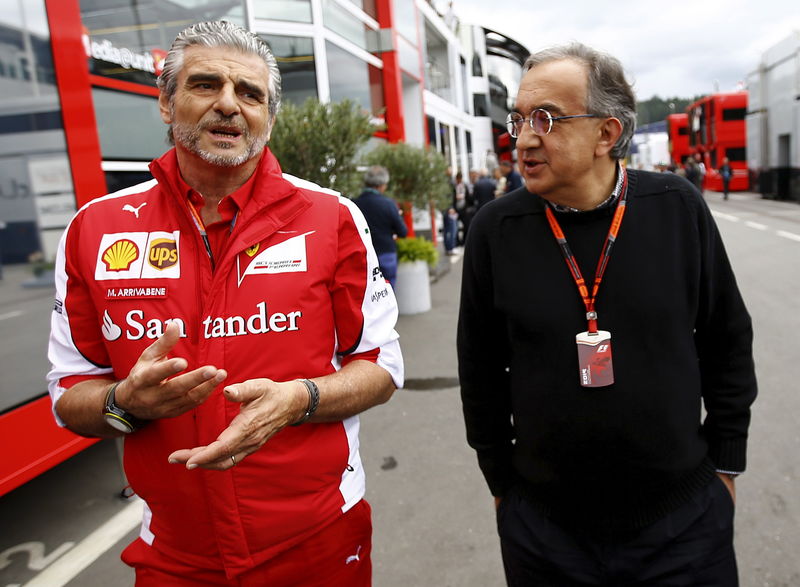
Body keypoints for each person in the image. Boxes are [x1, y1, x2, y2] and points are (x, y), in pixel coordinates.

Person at [47, 21, 403, 586]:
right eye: (206, 85)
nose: (229, 106)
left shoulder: (334, 217)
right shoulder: (95, 228)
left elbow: (381, 367)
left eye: (250, 94)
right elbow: (69, 393)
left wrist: (301, 399)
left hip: (317, 536)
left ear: (269, 116)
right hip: (173, 552)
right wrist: (124, 403)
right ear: (166, 103)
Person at [458, 42, 756, 586]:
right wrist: (501, 483)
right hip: (546, 533)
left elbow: (727, 337)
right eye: (519, 118)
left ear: (607, 133)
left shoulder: (676, 207)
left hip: (683, 525)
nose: (523, 138)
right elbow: (479, 371)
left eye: (546, 119)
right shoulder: (494, 230)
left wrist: (726, 464)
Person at [354, 165, 407, 289]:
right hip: (385, 254)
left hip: (362, 256)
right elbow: (402, 232)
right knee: (387, 292)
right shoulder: (388, 204)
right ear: (381, 185)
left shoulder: (354, 204)